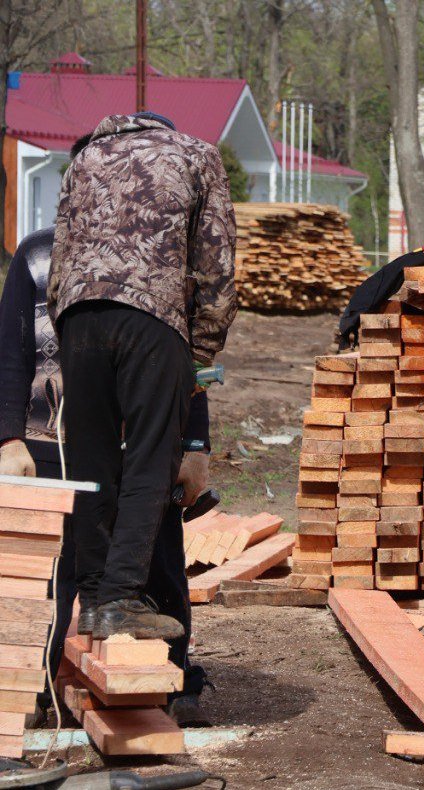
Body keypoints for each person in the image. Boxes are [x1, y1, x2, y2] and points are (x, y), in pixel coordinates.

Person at [0, 227, 212, 727]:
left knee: (158, 570)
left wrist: (195, 446)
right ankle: (32, 690)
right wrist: (9, 438)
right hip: (50, 443)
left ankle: (171, 684)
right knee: (54, 577)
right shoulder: (37, 255)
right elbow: (10, 353)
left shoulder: (162, 254)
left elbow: (194, 361)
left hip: (144, 447)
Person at [49, 112, 236, 640]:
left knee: (91, 463)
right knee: (152, 461)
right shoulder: (197, 154)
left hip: (78, 316)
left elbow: (62, 255)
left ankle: (90, 598)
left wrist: (69, 331)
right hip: (153, 318)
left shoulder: (85, 158)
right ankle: (120, 599)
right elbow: (217, 265)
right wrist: (198, 358)